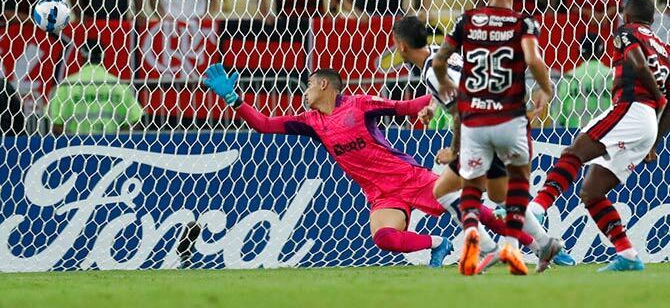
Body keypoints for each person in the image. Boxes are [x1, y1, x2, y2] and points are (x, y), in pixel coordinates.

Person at [203, 65, 529, 268]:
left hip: (408, 176)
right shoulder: (311, 122)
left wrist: (438, 101)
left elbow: (405, 106)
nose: (303, 92)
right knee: (385, 237)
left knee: (474, 213)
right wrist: (234, 99)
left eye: (307, 85)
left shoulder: (359, 104)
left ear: (323, 86)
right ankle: (438, 245)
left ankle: (536, 244)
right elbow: (264, 124)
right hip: (379, 192)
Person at [392, 16, 575, 271]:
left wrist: (454, 151)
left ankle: (492, 248)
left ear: (401, 46)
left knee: (445, 191)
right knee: (498, 193)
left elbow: (459, 111)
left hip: (483, 127)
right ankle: (543, 244)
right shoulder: (439, 55)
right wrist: (432, 106)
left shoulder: (432, 72)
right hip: (504, 117)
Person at [432, 0, 560, 276]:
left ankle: (473, 233)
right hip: (510, 117)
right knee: (517, 183)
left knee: (472, 186)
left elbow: (440, 61)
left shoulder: (466, 20)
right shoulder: (523, 22)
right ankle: (514, 248)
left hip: (474, 119)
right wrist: (547, 88)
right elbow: (532, 59)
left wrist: (446, 82)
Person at [528, 0, 670, 272]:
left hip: (631, 107)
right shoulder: (665, 49)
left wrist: (656, 96)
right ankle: (627, 254)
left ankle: (537, 208)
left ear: (626, 17)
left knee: (574, 152)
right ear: (652, 20)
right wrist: (654, 140)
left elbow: (638, 63)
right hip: (648, 123)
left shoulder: (626, 32)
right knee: (592, 192)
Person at [47, 40, 144, 135]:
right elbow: (135, 120)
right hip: (110, 146)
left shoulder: (68, 85)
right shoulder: (118, 84)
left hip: (77, 146)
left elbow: (55, 123)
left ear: (81, 56)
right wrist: (118, 140)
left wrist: (71, 141)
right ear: (103, 56)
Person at [554, 34, 613, 128]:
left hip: (574, 133)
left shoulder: (570, 77)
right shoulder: (612, 76)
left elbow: (559, 113)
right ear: (602, 51)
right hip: (606, 131)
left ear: (579, 52)